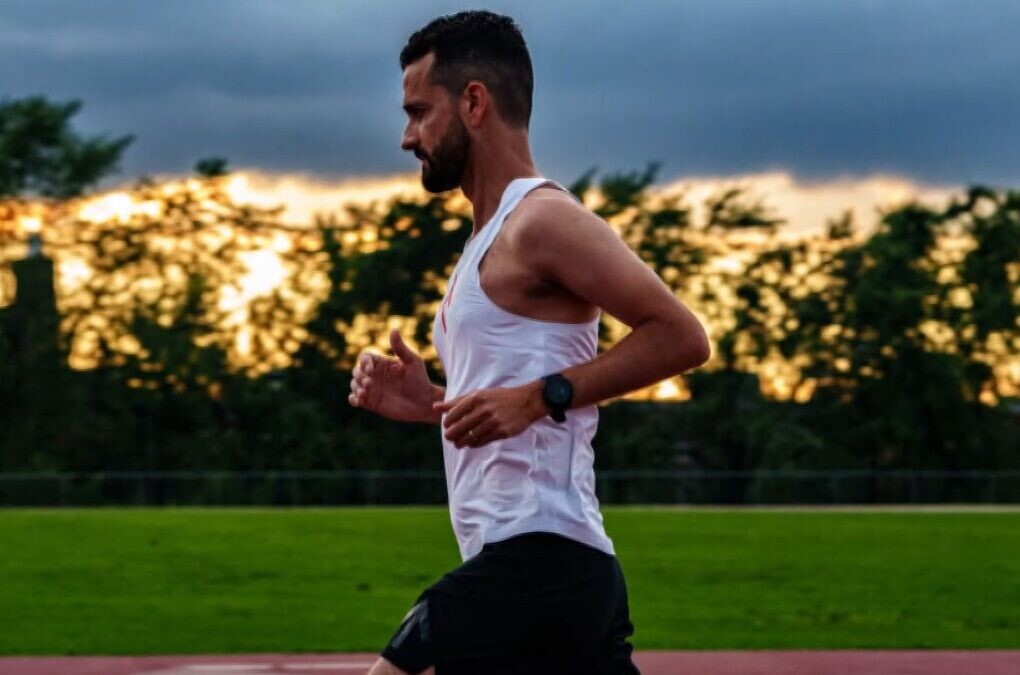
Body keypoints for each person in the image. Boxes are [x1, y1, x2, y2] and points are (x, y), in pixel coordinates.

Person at [349, 10, 711, 675]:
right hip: (551, 572)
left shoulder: (541, 221)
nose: (407, 137)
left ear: (474, 102)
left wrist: (543, 396)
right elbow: (510, 396)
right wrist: (434, 403)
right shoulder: (484, 242)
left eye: (419, 112)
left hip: (539, 559)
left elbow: (681, 336)